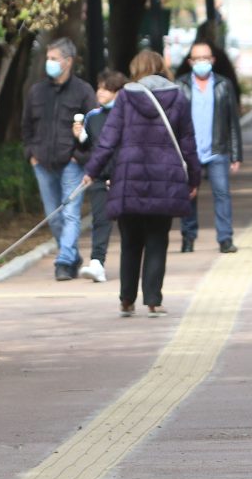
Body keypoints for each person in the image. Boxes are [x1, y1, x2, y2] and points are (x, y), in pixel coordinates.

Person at [84, 50, 200, 317]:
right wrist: (193, 178)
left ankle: (126, 299)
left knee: (131, 242)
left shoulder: (125, 97)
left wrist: (92, 170)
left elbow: (108, 139)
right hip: (166, 180)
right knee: (158, 239)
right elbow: (188, 143)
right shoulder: (178, 97)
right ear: (160, 67)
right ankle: (153, 299)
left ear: (135, 68)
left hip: (129, 179)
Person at [22, 37, 96, 281]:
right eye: (48, 58)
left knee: (71, 213)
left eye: (54, 58)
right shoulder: (37, 91)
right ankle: (71, 255)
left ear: (68, 61)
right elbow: (26, 127)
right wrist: (31, 154)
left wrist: (80, 156)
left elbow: (95, 127)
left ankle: (64, 261)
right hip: (42, 163)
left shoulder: (83, 91)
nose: (49, 63)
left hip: (71, 164)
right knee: (53, 216)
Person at [177, 41, 243, 254]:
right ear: (190, 62)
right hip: (189, 151)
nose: (202, 62)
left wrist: (236, 154)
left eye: (206, 58)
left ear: (213, 60)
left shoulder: (223, 85)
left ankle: (225, 238)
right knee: (188, 194)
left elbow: (233, 122)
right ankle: (188, 237)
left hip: (217, 149)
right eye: (197, 59)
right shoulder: (181, 86)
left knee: (222, 193)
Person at [75, 70, 128, 283]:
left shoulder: (127, 116)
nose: (100, 92)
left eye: (106, 89)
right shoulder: (92, 117)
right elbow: (91, 148)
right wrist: (80, 137)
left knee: (128, 223)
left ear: (117, 92)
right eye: (100, 88)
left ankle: (131, 264)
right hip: (98, 177)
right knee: (100, 219)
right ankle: (97, 262)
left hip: (124, 177)